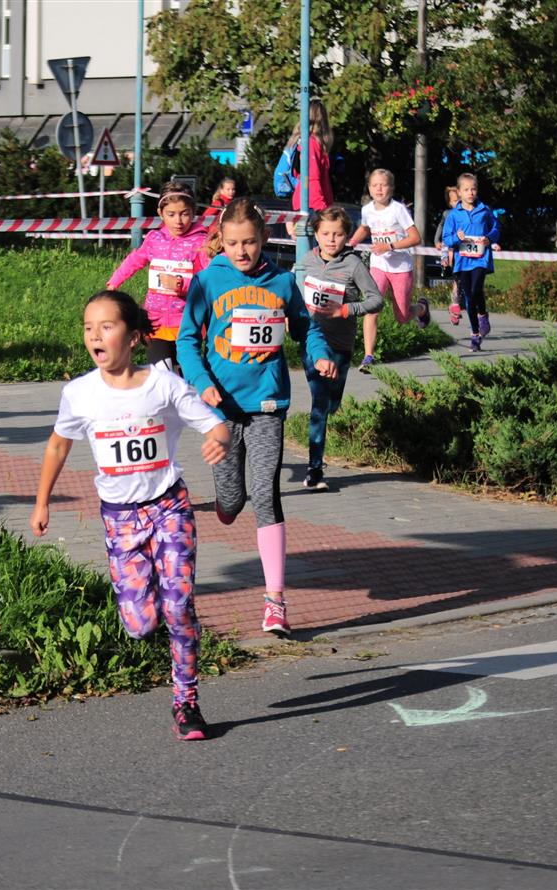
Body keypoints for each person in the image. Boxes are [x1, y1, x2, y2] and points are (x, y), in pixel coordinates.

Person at [30, 290, 230, 741]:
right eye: (88, 328)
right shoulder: (79, 393)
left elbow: (215, 424)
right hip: (120, 519)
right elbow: (58, 445)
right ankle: (157, 602)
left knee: (178, 608)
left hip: (169, 507)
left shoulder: (164, 385)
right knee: (140, 626)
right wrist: (42, 501)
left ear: (134, 336)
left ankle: (186, 702)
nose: (95, 336)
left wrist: (219, 440)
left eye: (107, 326)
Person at [177, 198, 337, 636]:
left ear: (264, 238)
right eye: (232, 243)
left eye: (249, 242)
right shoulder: (208, 281)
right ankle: (227, 504)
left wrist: (320, 355)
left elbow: (307, 330)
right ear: (221, 241)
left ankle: (275, 602)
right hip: (222, 409)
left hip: (268, 405)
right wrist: (201, 382)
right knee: (232, 501)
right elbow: (187, 340)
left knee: (266, 493)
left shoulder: (282, 282)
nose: (241, 251)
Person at [300, 207, 384, 490]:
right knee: (319, 405)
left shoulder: (353, 265)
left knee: (332, 404)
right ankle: (314, 469)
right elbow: (293, 291)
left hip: (340, 345)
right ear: (316, 234)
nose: (331, 239)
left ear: (347, 236)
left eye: (337, 234)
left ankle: (327, 420)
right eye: (325, 233)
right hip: (312, 343)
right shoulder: (307, 260)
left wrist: (345, 309)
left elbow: (376, 300)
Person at [105, 182, 210, 370]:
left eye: (184, 214)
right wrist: (114, 282)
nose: (178, 221)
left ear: (194, 212)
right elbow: (135, 259)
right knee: (161, 373)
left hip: (186, 322)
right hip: (155, 321)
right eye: (171, 214)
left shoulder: (201, 242)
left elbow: (209, 280)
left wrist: (182, 285)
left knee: (182, 377)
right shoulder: (154, 239)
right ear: (161, 213)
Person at [349, 168, 427, 373]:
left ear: (391, 188)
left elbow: (415, 237)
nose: (379, 189)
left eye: (383, 185)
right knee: (372, 308)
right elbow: (365, 228)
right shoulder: (367, 210)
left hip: (401, 268)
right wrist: (351, 242)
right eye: (375, 185)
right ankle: (368, 356)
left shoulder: (398, 210)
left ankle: (421, 309)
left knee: (401, 317)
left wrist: (390, 246)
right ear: (369, 188)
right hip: (378, 266)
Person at [441, 172, 500, 353]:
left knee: (475, 290)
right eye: (466, 190)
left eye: (473, 189)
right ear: (459, 192)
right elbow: (446, 238)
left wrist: (489, 238)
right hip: (462, 261)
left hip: (480, 259)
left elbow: (496, 228)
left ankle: (483, 316)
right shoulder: (454, 215)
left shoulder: (485, 210)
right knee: (468, 296)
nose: (470, 193)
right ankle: (475, 334)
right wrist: (456, 238)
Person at [285, 99, 335, 238]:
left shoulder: (307, 142)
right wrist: (324, 208)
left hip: (307, 204)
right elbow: (312, 178)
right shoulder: (311, 144)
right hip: (311, 206)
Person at [434, 185, 462, 325]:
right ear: (450, 203)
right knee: (457, 281)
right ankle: (455, 306)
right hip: (451, 251)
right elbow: (441, 227)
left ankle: (459, 305)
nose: (457, 203)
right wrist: (436, 241)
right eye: (454, 201)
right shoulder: (447, 214)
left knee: (466, 282)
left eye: (459, 200)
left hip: (467, 253)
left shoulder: (468, 214)